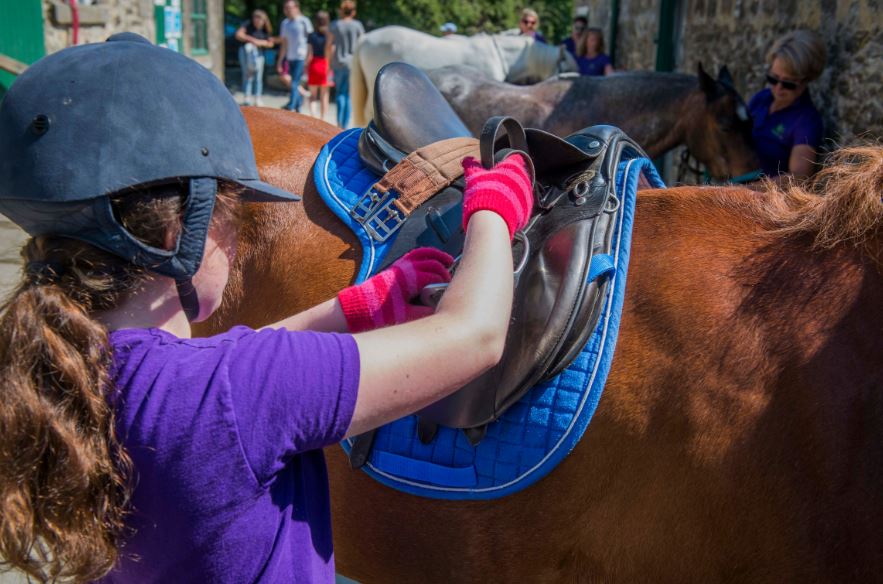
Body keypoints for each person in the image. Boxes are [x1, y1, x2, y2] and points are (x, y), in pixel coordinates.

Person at [0, 33, 533, 583]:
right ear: (178, 230)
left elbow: (226, 381)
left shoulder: (60, 371)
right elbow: (475, 334)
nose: (233, 240)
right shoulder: (236, 393)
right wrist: (493, 210)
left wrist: (349, 308)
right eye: (231, 212)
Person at [748, 30, 827, 179]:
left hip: (765, 197)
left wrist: (747, 191)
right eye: (773, 79)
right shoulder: (761, 99)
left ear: (806, 81)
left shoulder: (806, 121)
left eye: (788, 83)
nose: (778, 88)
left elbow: (798, 177)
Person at [327, 0, 365, 128]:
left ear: (341, 11)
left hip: (338, 63)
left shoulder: (335, 25)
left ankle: (338, 123)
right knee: (348, 95)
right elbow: (363, 44)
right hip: (353, 64)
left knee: (339, 93)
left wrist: (328, 62)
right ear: (353, 12)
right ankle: (345, 123)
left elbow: (329, 45)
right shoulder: (357, 25)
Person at [277, 0, 313, 112]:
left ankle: (291, 105)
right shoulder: (285, 23)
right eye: (286, 8)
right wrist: (280, 60)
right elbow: (284, 43)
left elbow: (310, 41)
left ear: (296, 8)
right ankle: (298, 106)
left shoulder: (304, 21)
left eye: (290, 7)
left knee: (295, 82)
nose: (288, 10)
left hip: (300, 56)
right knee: (294, 82)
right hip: (289, 57)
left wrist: (309, 55)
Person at [235, 9, 274, 106]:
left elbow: (270, 43)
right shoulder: (248, 25)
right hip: (246, 53)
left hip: (259, 54)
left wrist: (260, 43)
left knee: (258, 76)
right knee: (247, 74)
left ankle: (258, 97)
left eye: (259, 20)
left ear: (264, 20)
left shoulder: (265, 29)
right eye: (255, 20)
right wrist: (252, 40)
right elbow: (238, 34)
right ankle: (247, 97)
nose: (257, 22)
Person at [306, 11, 332, 121]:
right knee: (324, 96)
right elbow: (330, 51)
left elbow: (309, 54)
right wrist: (329, 66)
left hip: (314, 65)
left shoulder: (311, 35)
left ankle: (313, 116)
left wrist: (305, 66)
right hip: (325, 65)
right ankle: (323, 119)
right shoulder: (330, 35)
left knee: (312, 95)